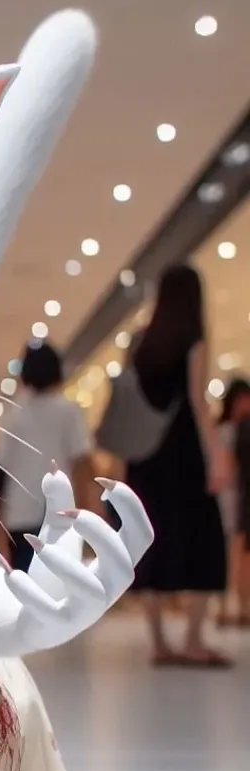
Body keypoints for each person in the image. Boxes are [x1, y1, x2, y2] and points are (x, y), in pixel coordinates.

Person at [124, 264, 230, 667]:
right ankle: (193, 640)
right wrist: (217, 455)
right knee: (204, 542)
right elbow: (199, 405)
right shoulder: (193, 340)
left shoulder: (138, 342)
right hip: (183, 456)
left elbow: (129, 406)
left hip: (145, 457)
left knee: (151, 541)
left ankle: (158, 642)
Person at [0, 339, 93, 571]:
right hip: (59, 510)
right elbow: (80, 461)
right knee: (61, 580)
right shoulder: (68, 411)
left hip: (19, 514)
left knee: (28, 580)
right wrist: (87, 505)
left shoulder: (13, 416)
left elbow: (1, 466)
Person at [217, 377, 250, 626]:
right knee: (227, 553)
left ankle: (239, 606)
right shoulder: (226, 430)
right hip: (227, 497)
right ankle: (226, 606)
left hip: (239, 497)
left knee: (238, 555)